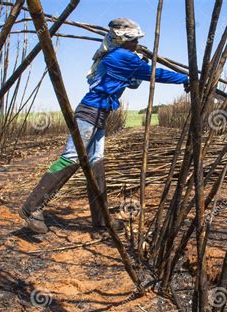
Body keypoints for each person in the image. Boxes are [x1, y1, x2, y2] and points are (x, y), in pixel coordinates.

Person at [19, 18, 189, 234]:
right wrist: (186, 77)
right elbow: (154, 74)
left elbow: (135, 81)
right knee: (71, 157)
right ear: (123, 40)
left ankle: (101, 220)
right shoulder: (120, 57)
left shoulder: (118, 56)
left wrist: (142, 61)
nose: (136, 44)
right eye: (134, 40)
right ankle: (31, 207)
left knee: (96, 162)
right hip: (89, 113)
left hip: (99, 115)